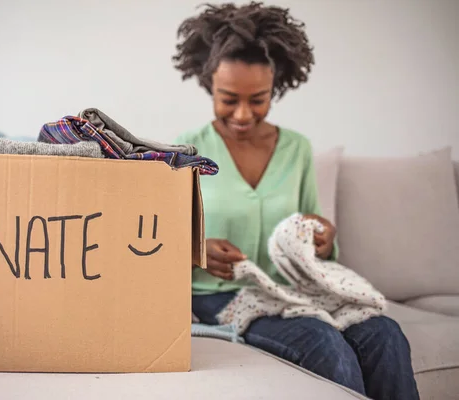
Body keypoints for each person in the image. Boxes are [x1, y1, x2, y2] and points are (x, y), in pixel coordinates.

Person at [171, 3, 419, 399]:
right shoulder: (186, 150)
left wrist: (322, 237)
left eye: (258, 99)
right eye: (229, 98)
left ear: (277, 87)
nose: (242, 113)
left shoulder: (296, 149)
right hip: (217, 297)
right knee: (322, 344)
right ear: (208, 84)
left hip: (294, 290)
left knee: (385, 333)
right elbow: (156, 241)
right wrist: (194, 250)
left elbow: (316, 237)